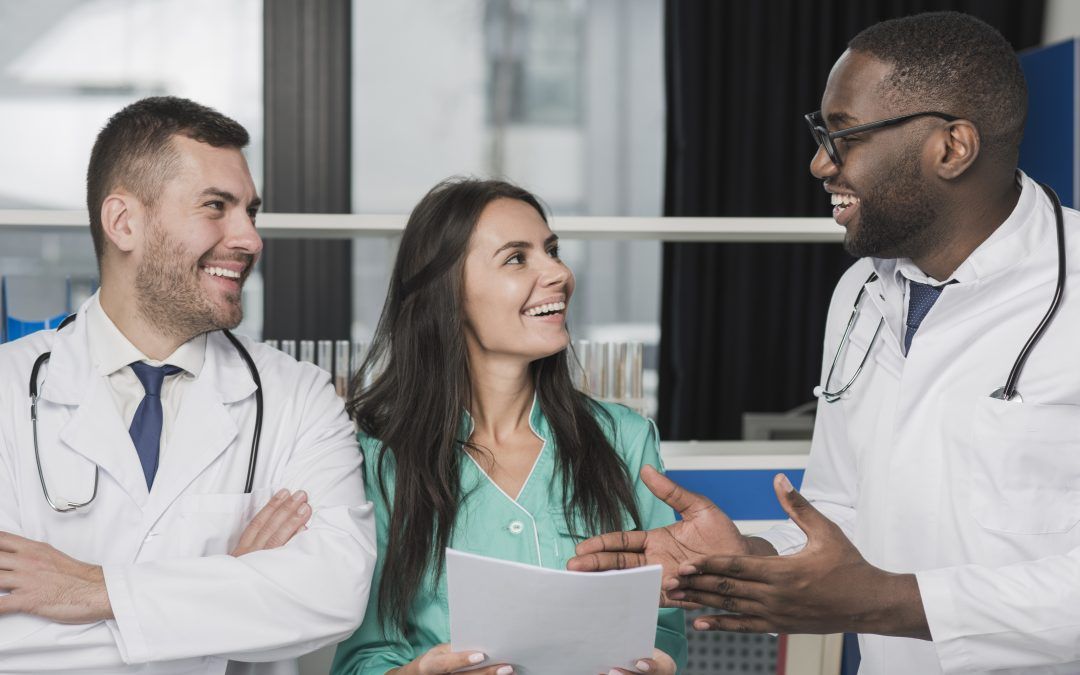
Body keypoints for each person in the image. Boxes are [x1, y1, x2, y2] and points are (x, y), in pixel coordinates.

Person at [568, 11, 1080, 674]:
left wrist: (885, 603)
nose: (819, 163)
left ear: (951, 147)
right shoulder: (861, 295)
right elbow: (844, 511)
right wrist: (746, 558)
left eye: (843, 136)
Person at [0, 96, 377, 672]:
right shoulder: (6, 390)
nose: (250, 239)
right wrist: (230, 590)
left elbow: (332, 594)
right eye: (216, 207)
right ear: (124, 222)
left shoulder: (300, 398)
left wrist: (89, 590)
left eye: (251, 211)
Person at [330, 178, 687, 675]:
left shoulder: (625, 439)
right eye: (516, 258)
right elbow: (361, 659)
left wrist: (657, 665)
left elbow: (663, 626)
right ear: (447, 293)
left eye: (552, 250)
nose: (559, 273)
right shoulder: (378, 457)